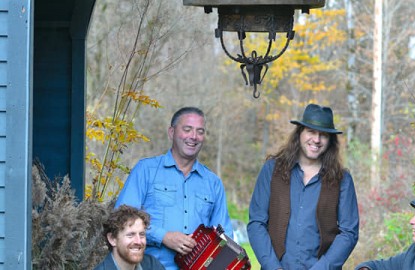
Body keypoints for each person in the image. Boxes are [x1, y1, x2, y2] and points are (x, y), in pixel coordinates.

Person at [114, 106, 233, 270]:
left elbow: (224, 234)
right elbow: (121, 218)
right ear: (171, 132)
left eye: (200, 131)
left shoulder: (213, 183)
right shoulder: (146, 170)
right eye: (187, 129)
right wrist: (163, 237)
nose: (194, 136)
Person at [248, 104, 359, 269]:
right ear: (299, 133)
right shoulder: (272, 170)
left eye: (324, 135)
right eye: (311, 132)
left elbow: (349, 233)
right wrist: (273, 267)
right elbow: (256, 223)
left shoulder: (342, 180)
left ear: (330, 140)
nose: (316, 139)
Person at [94, 205, 165, 270]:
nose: (138, 241)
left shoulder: (152, 265)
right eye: (130, 235)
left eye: (142, 234)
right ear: (112, 239)